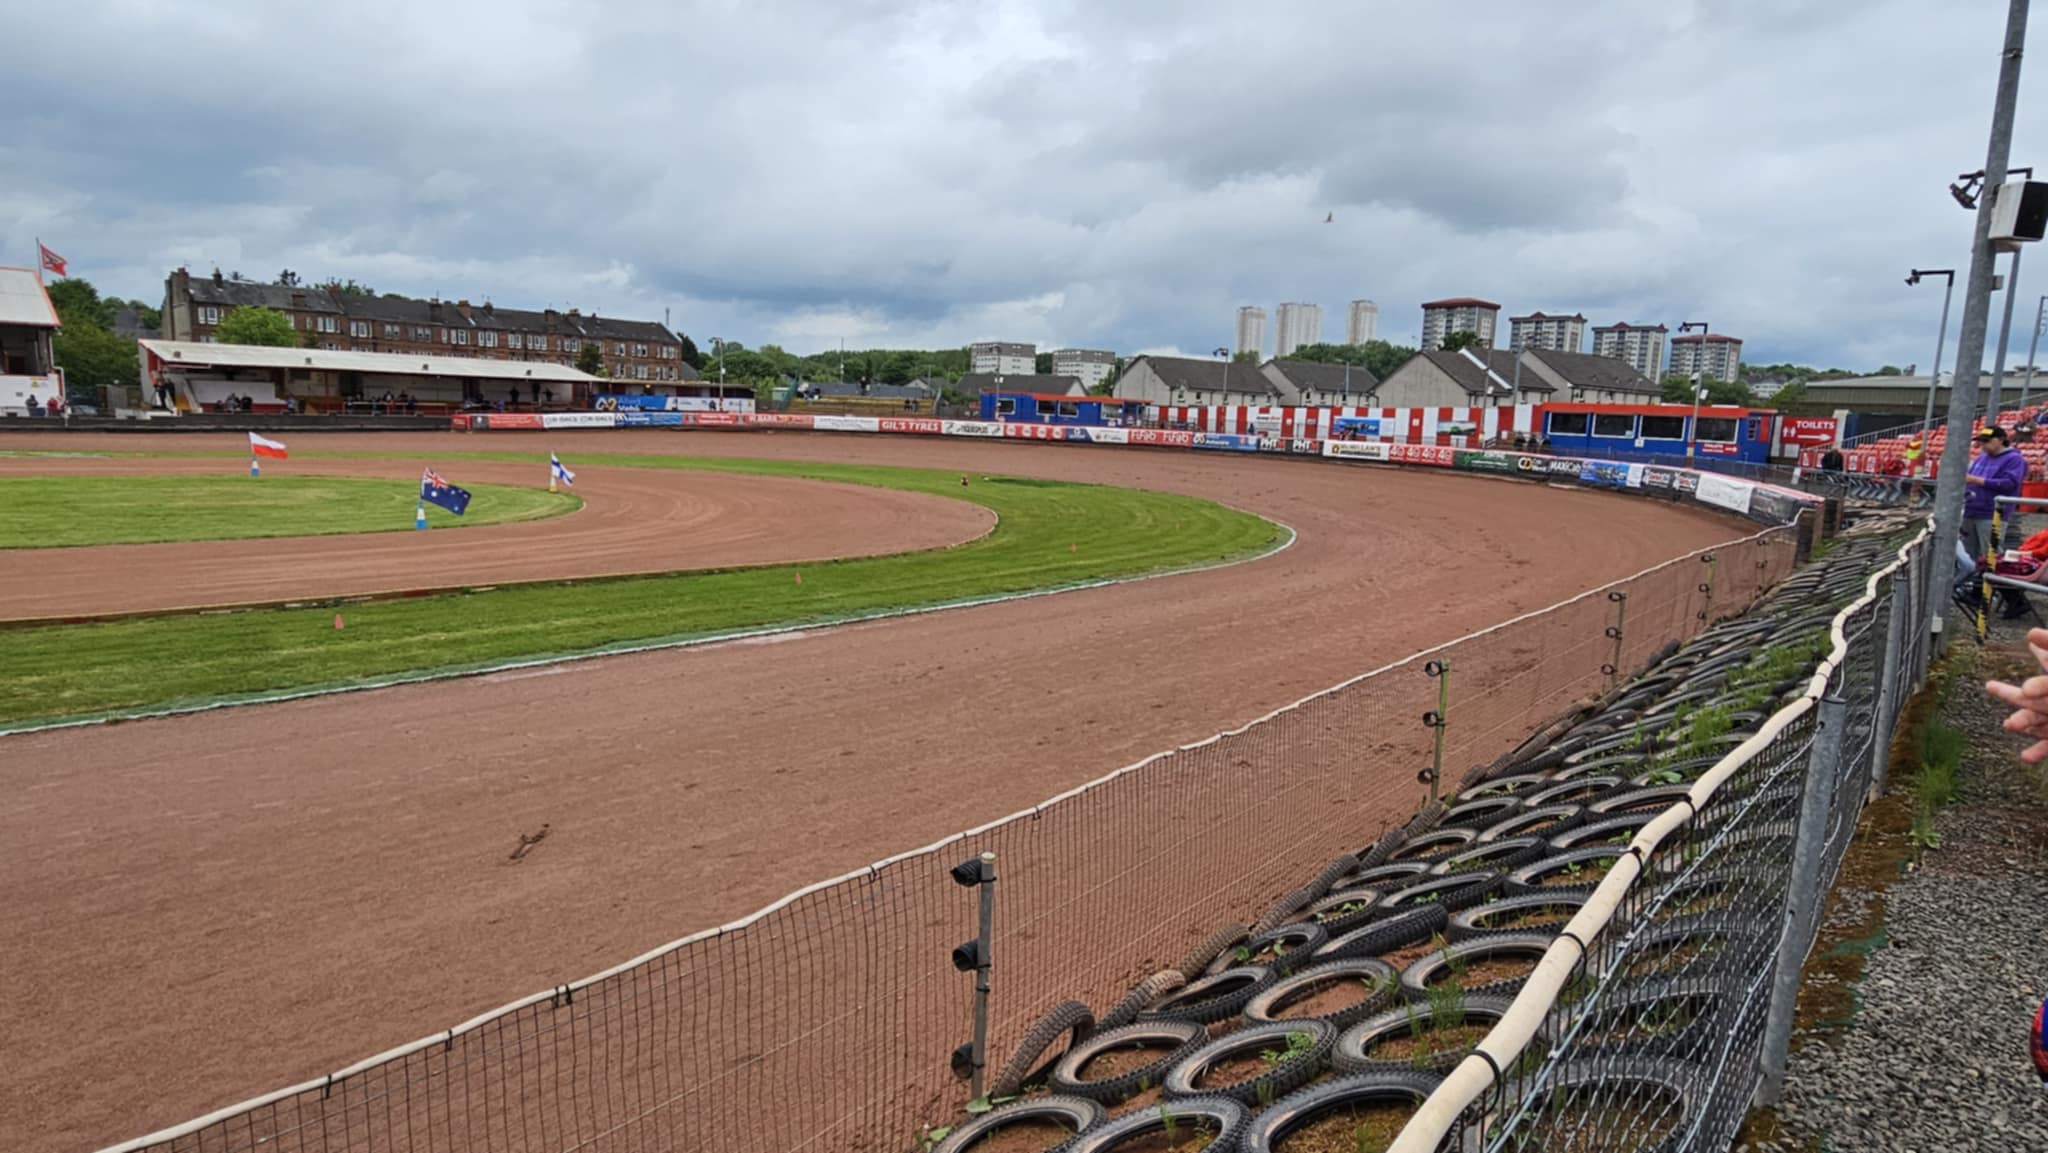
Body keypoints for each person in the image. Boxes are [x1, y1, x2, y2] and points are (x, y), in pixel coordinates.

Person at [1965, 425, 2028, 562]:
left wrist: (1976, 480)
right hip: (1971, 511)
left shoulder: (2014, 459)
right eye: (1981, 441)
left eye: (1987, 441)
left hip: (1992, 513)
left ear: (2001, 440)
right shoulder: (1981, 458)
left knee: (1990, 555)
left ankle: (1990, 576)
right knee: (1969, 555)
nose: (1983, 444)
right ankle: (1972, 577)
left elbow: (2009, 483)